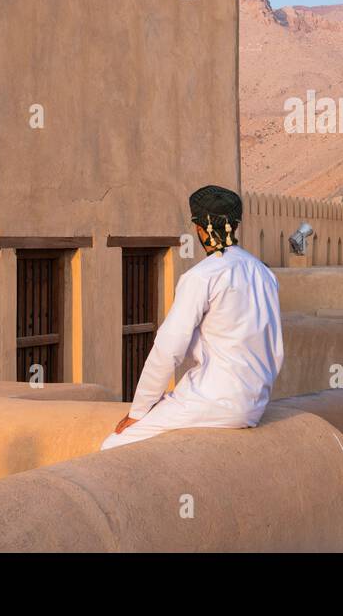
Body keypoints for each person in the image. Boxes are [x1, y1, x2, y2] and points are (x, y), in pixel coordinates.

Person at [100, 185, 284, 450]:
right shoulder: (264, 274)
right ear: (235, 224)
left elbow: (168, 349)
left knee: (114, 445)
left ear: (199, 228)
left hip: (213, 400)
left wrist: (138, 411)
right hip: (255, 404)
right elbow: (275, 349)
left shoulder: (202, 276)